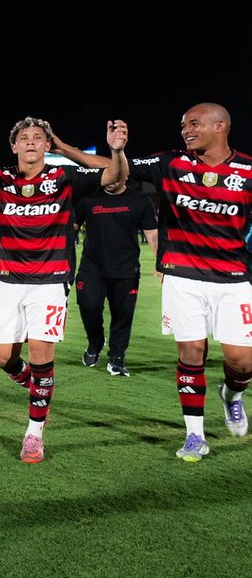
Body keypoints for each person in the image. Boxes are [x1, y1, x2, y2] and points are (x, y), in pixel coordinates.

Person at [52, 102, 252, 461]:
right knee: (191, 352)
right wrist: (110, 150)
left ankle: (232, 395)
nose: (185, 130)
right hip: (183, 274)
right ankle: (195, 435)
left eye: (194, 123)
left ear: (221, 125)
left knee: (242, 361)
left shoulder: (248, 171)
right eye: (182, 125)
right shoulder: (171, 163)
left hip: (234, 278)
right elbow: (117, 171)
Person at [0, 116, 127, 464]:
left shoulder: (65, 178)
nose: (31, 142)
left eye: (38, 137)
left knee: (41, 356)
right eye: (24, 138)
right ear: (14, 146)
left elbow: (113, 174)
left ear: (47, 145)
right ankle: (39, 385)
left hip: (50, 281)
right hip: (9, 281)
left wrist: (115, 150)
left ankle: (34, 433)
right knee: (4, 359)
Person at [74, 179, 158, 377]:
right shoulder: (88, 199)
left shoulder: (140, 200)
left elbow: (153, 234)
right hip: (92, 268)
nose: (111, 179)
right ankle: (95, 341)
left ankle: (117, 358)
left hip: (126, 269)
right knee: (88, 306)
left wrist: (161, 262)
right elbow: (73, 228)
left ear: (125, 176)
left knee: (123, 314)